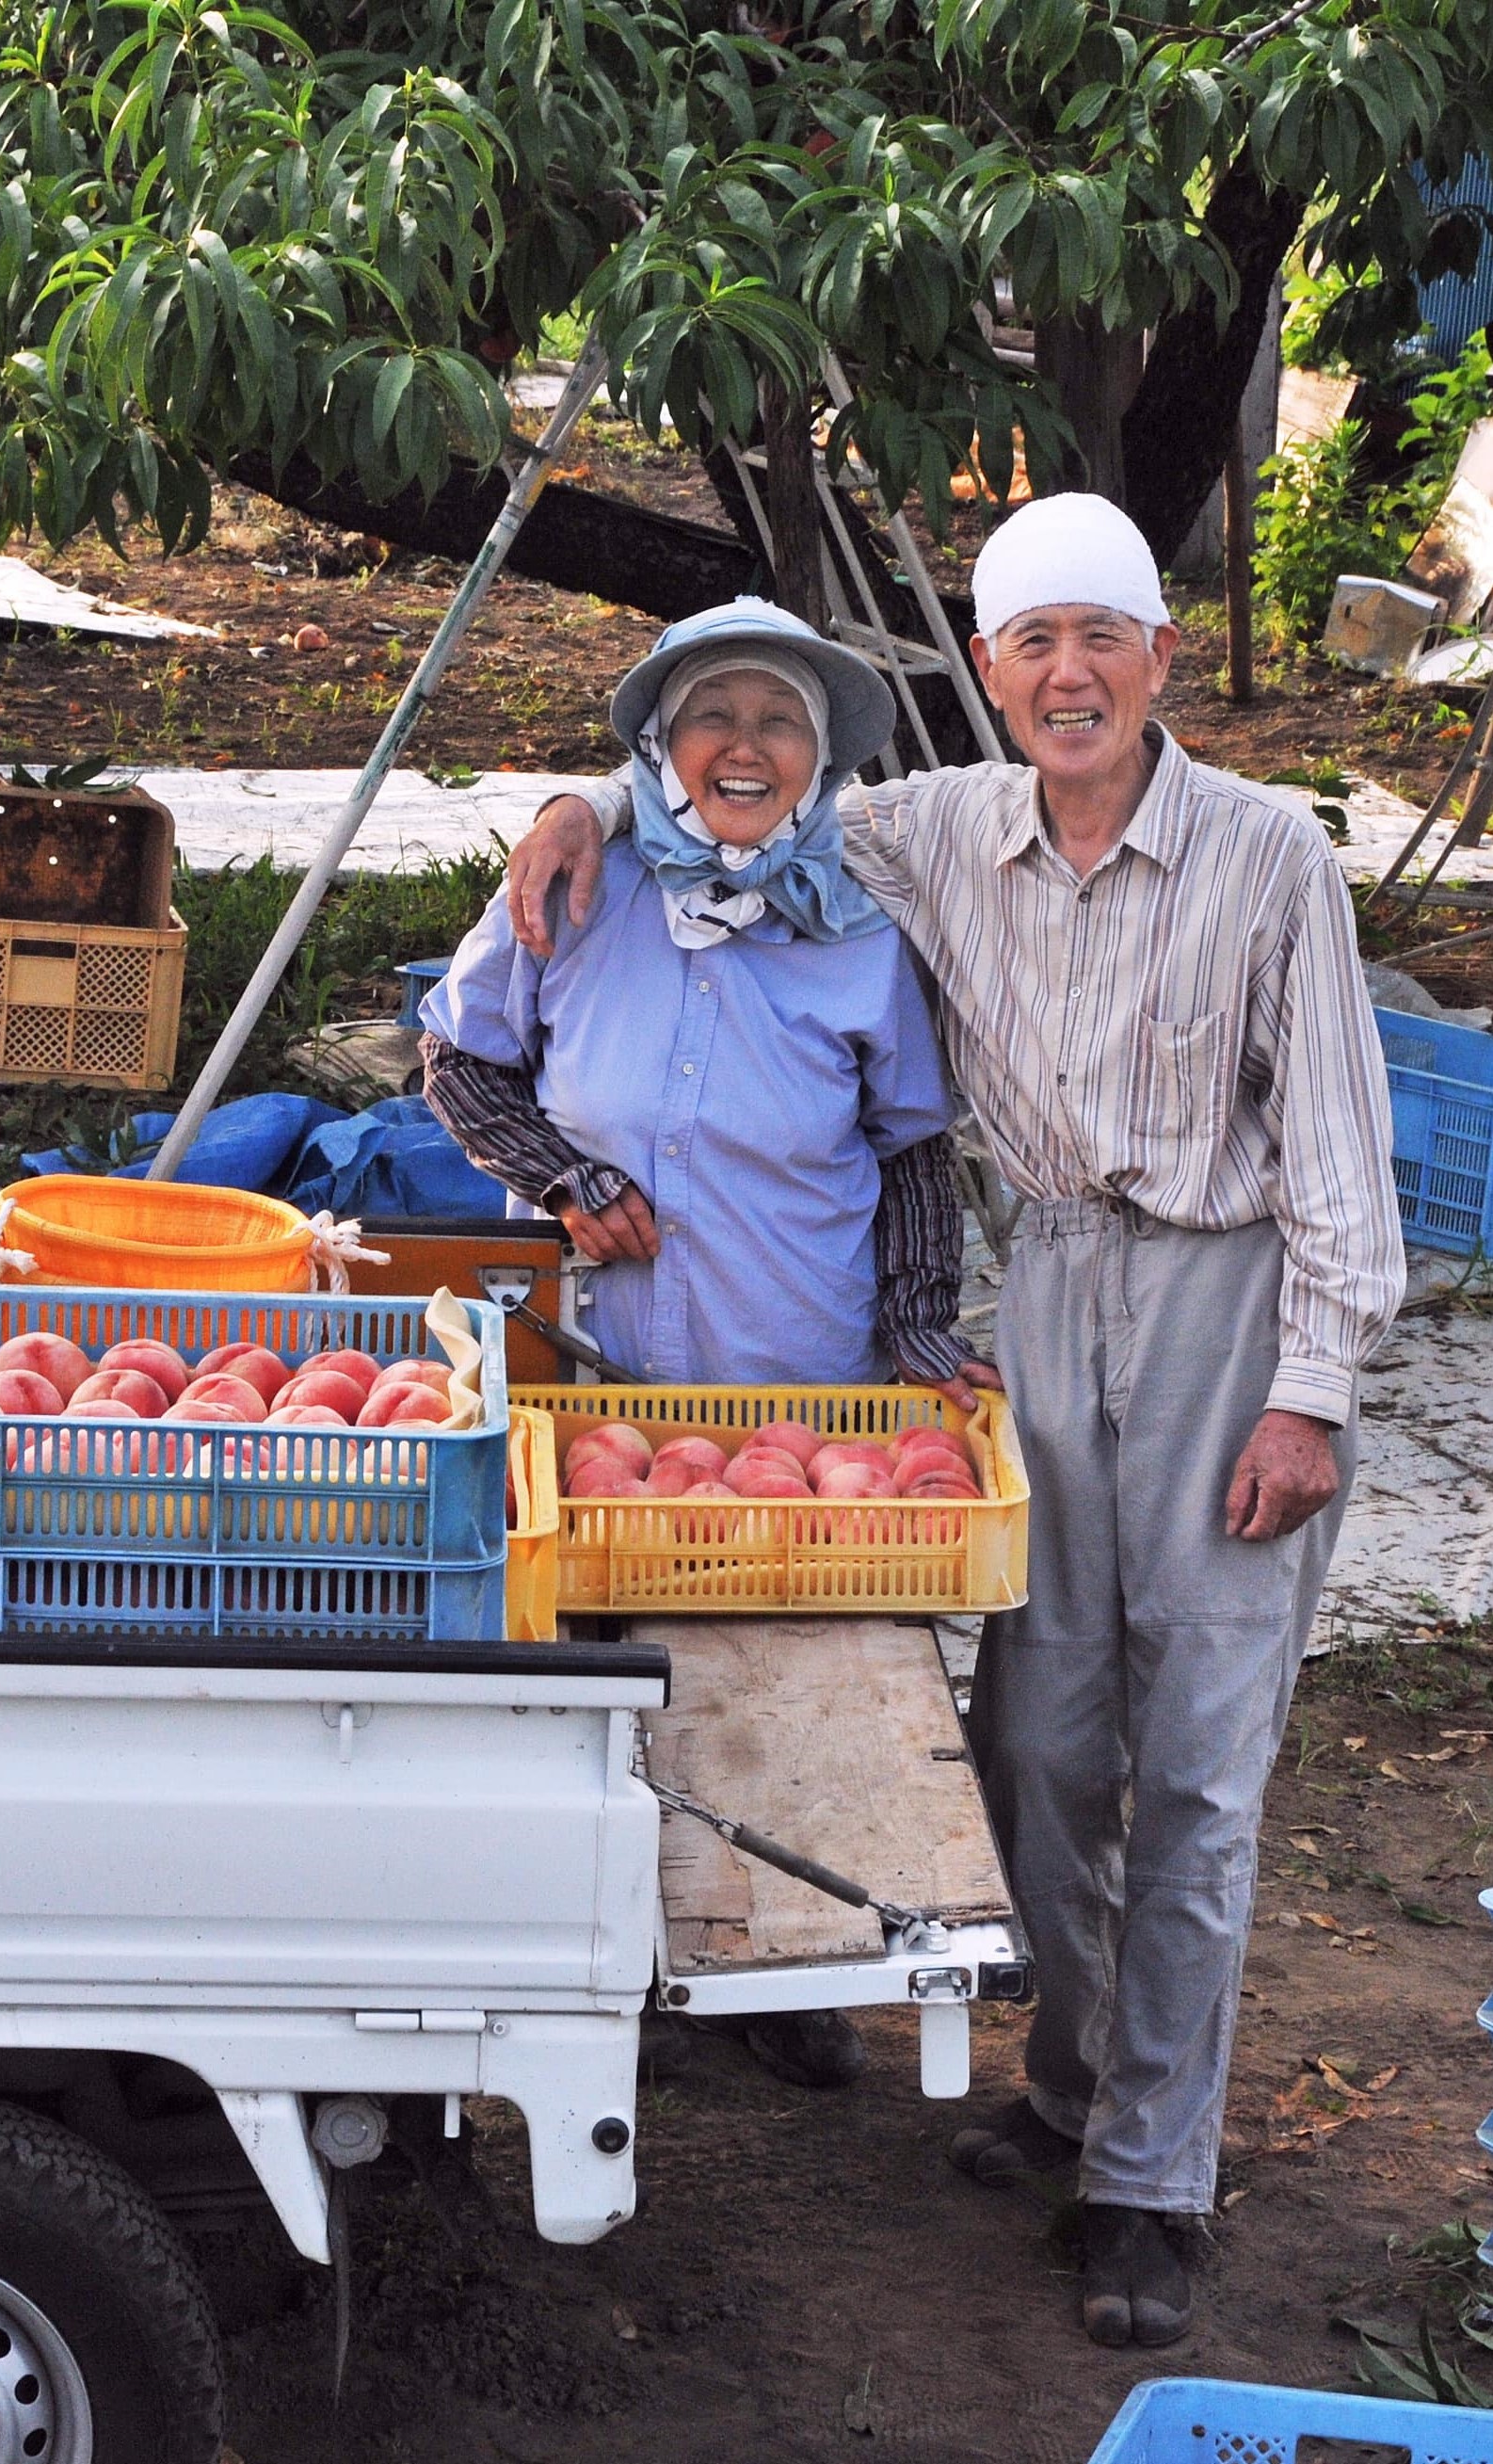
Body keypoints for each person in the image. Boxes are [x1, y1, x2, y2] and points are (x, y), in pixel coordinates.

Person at [500, 495, 1406, 2348]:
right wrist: (586, 800)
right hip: (1052, 1295)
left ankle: (1154, 2181)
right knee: (1038, 1748)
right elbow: (729, 779)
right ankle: (1078, 2086)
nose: (1067, 675)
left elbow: (1337, 1149)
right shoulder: (932, 831)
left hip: (1233, 1300)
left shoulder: (1263, 857)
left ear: (1160, 656)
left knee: (1202, 1771)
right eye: (1030, 644)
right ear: (986, 672)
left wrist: (1314, 1392)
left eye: (1102, 637)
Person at [422, 598, 994, 2089]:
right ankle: (592, 1957)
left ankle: (781, 1962)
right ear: (659, 747)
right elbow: (459, 1057)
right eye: (714, 715)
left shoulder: (863, 929)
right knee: (584, 1644)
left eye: (781, 721)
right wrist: (563, 1175)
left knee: (775, 1651)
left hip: (784, 1347)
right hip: (597, 1342)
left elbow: (915, 1149)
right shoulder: (580, 884)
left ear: (819, 761)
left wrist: (924, 1321)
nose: (746, 746)